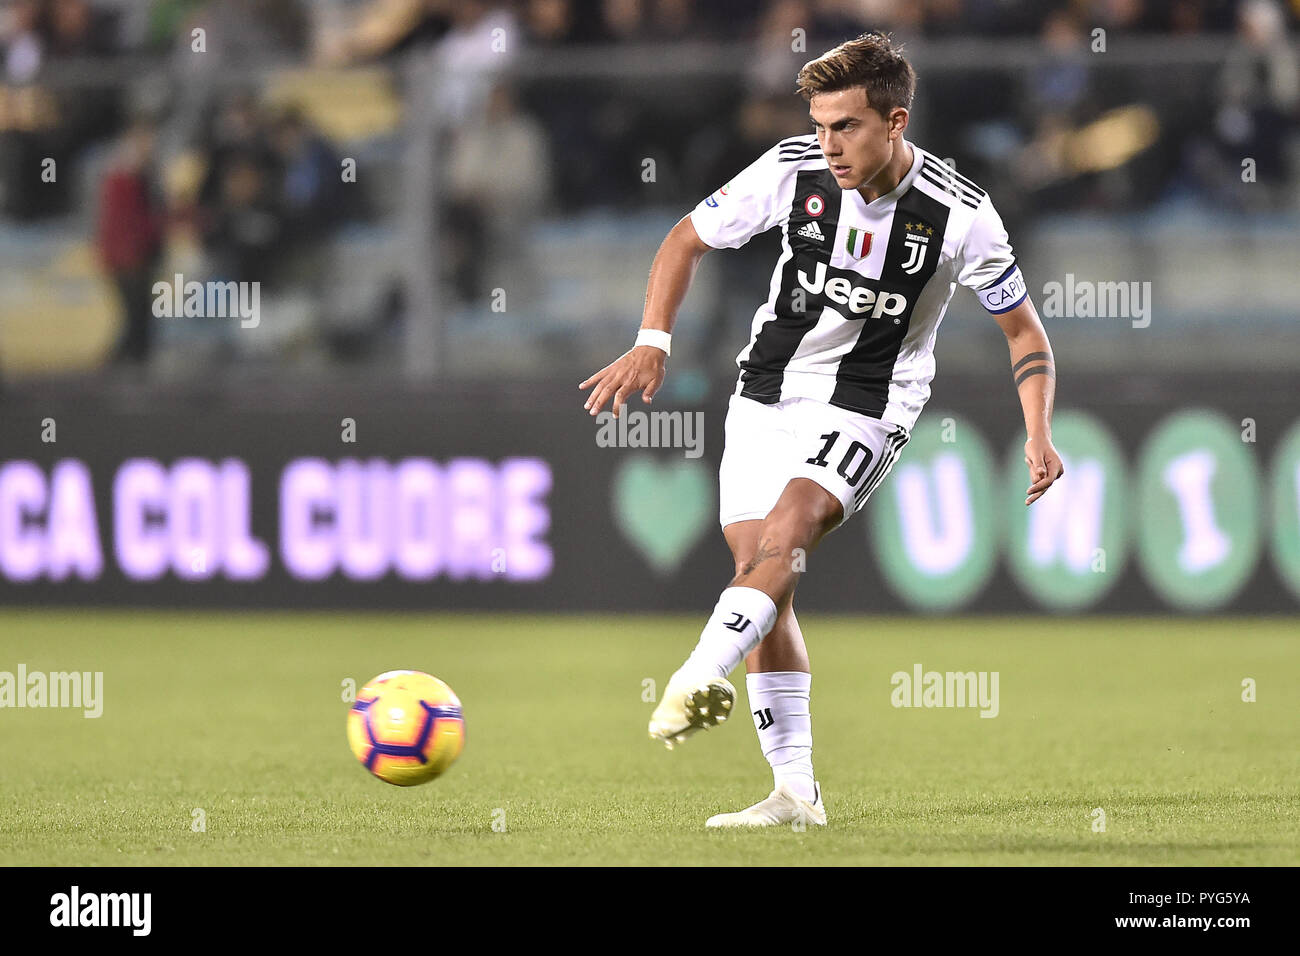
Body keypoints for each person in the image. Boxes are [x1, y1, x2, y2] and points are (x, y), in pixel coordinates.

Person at [579, 33, 1065, 828]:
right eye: (820, 126)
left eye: (846, 126)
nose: (828, 144)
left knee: (790, 530)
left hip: (871, 401)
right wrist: (652, 341)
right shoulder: (791, 170)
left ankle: (701, 673)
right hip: (765, 391)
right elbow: (686, 239)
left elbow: (1024, 333)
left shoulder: (962, 213)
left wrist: (1037, 432)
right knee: (762, 576)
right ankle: (795, 793)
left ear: (895, 121)